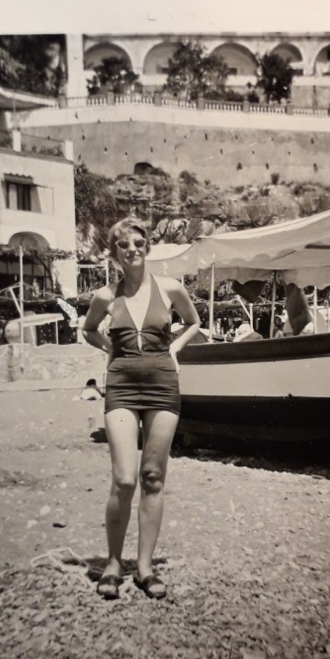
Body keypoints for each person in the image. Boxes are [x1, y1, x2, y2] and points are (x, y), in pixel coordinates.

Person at [82, 218, 202, 601]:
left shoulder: (170, 288)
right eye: (123, 245)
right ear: (114, 252)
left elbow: (194, 322)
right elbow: (89, 330)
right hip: (120, 387)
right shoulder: (105, 296)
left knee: (153, 476)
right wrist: (109, 350)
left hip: (163, 386)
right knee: (124, 479)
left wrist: (173, 349)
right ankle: (114, 563)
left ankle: (145, 567)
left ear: (147, 246)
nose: (132, 249)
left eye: (138, 242)